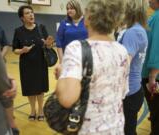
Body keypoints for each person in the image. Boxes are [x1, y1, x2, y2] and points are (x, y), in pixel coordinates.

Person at [54, 0, 130, 134]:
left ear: (87, 19)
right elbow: (123, 91)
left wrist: (62, 76)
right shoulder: (122, 51)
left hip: (88, 129)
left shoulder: (76, 48)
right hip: (116, 127)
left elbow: (66, 98)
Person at [12, 5, 53, 121]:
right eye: (27, 13)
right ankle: (32, 110)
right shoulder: (18, 31)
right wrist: (22, 50)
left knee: (40, 88)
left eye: (32, 12)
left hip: (40, 63)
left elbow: (47, 45)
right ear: (22, 18)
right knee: (30, 88)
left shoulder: (41, 28)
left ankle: (40, 110)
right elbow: (14, 49)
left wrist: (49, 44)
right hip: (26, 64)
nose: (31, 15)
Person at [118, 0, 148, 134]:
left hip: (128, 93)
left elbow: (124, 64)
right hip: (134, 89)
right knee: (129, 129)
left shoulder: (133, 32)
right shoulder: (139, 30)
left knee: (127, 131)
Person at [142, 0, 159, 134]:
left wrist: (152, 77)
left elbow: (156, 48)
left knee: (156, 114)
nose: (148, 0)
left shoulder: (158, 18)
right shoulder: (155, 16)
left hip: (154, 76)